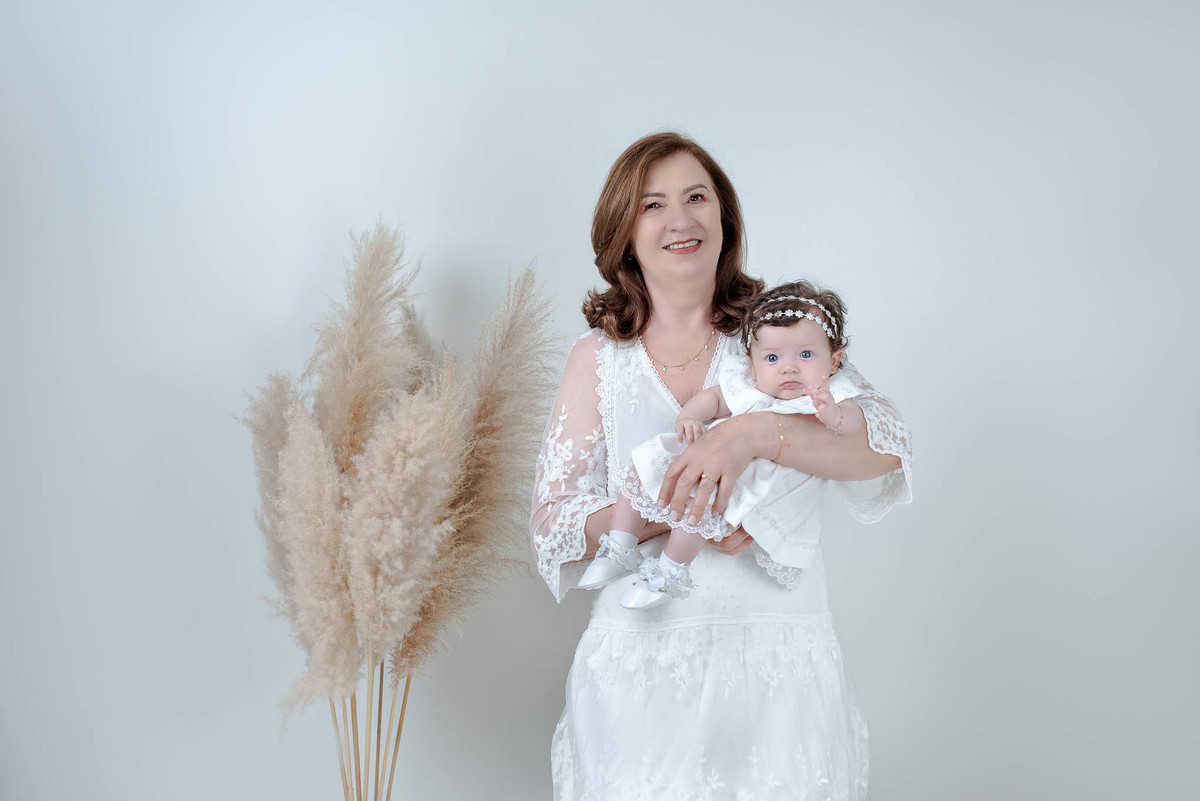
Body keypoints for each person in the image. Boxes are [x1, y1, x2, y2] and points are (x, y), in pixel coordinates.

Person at [530, 132, 912, 800]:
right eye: (653, 205)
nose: (680, 220)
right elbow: (553, 525)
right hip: (641, 673)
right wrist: (687, 503)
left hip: (777, 667)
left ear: (725, 218)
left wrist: (753, 435)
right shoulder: (598, 358)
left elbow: (883, 444)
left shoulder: (778, 333)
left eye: (697, 197)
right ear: (624, 233)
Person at [579, 281, 868, 611]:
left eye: (805, 354)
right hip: (714, 455)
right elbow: (715, 398)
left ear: (834, 361)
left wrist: (833, 415)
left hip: (754, 481)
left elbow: (854, 425)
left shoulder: (832, 394)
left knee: (699, 506)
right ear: (753, 364)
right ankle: (620, 544)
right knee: (646, 465)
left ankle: (670, 571)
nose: (788, 367)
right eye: (772, 357)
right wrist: (691, 415)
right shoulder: (750, 385)